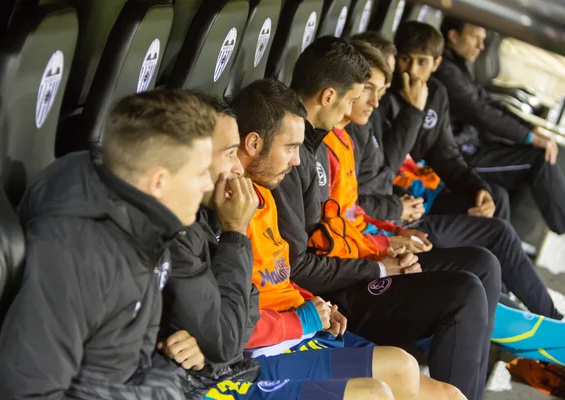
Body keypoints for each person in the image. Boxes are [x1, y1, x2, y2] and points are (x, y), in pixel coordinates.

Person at [267, 36, 497, 400]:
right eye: (357, 97)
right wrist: (379, 265)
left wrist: (383, 247)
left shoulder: (322, 145)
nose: (363, 107)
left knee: (480, 266)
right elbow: (298, 266)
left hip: (345, 271)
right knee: (464, 290)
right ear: (329, 97)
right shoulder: (287, 159)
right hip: (326, 294)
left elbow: (347, 218)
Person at [230, 80, 465, 400]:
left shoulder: (266, 194)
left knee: (449, 394)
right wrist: (300, 320)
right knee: (396, 372)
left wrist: (312, 303)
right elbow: (231, 317)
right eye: (290, 148)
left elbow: (282, 274)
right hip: (271, 348)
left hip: (305, 323)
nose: (297, 160)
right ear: (254, 143)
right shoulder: (228, 214)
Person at [163, 92, 397, 400]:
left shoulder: (220, 215)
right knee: (376, 391)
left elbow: (245, 303)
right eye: (229, 153)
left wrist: (311, 303)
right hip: (236, 365)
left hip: (250, 349)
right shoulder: (195, 226)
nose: (237, 168)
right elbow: (226, 335)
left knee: (401, 372)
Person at [0, 90, 218, 398]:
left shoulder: (146, 224)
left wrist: (171, 358)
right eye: (201, 172)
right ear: (159, 182)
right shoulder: (76, 256)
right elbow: (28, 392)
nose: (209, 184)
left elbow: (116, 346)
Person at [359, 22, 562, 321]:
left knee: (493, 198)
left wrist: (476, 186)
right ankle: (543, 317)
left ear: (436, 64)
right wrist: (413, 113)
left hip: (419, 198)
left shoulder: (436, 93)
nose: (413, 70)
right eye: (407, 59)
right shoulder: (380, 102)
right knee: (498, 235)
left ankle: (510, 293)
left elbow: (445, 153)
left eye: (423, 62)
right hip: (396, 212)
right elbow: (383, 172)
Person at [435, 15, 565, 234]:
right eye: (475, 37)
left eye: (482, 39)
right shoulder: (445, 70)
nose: (481, 45)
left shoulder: (458, 65)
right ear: (453, 36)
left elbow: (487, 101)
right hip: (457, 157)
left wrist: (531, 129)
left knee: (506, 189)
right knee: (538, 159)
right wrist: (530, 137)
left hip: (472, 144)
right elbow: (481, 112)